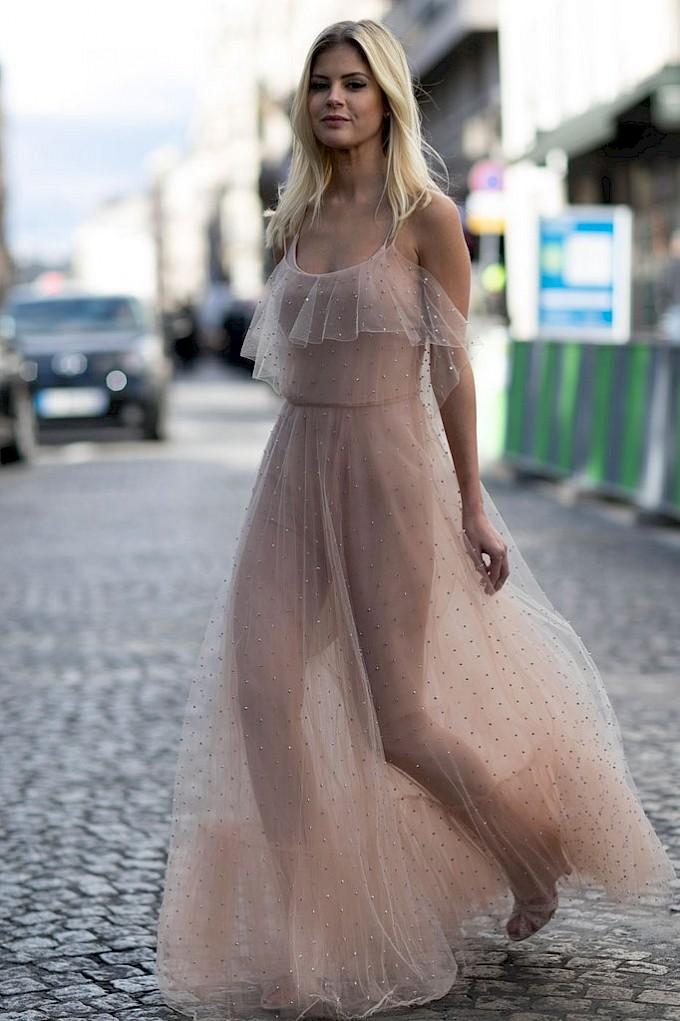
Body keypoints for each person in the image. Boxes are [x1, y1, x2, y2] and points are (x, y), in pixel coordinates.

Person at [154, 19, 675, 1021]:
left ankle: (528, 857)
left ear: (386, 97)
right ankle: (301, 943)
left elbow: (453, 369)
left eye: (352, 83)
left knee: (399, 725)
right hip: (292, 470)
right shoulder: (294, 215)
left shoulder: (426, 217)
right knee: (262, 688)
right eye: (320, 86)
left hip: (389, 478)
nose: (334, 99)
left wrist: (469, 500)